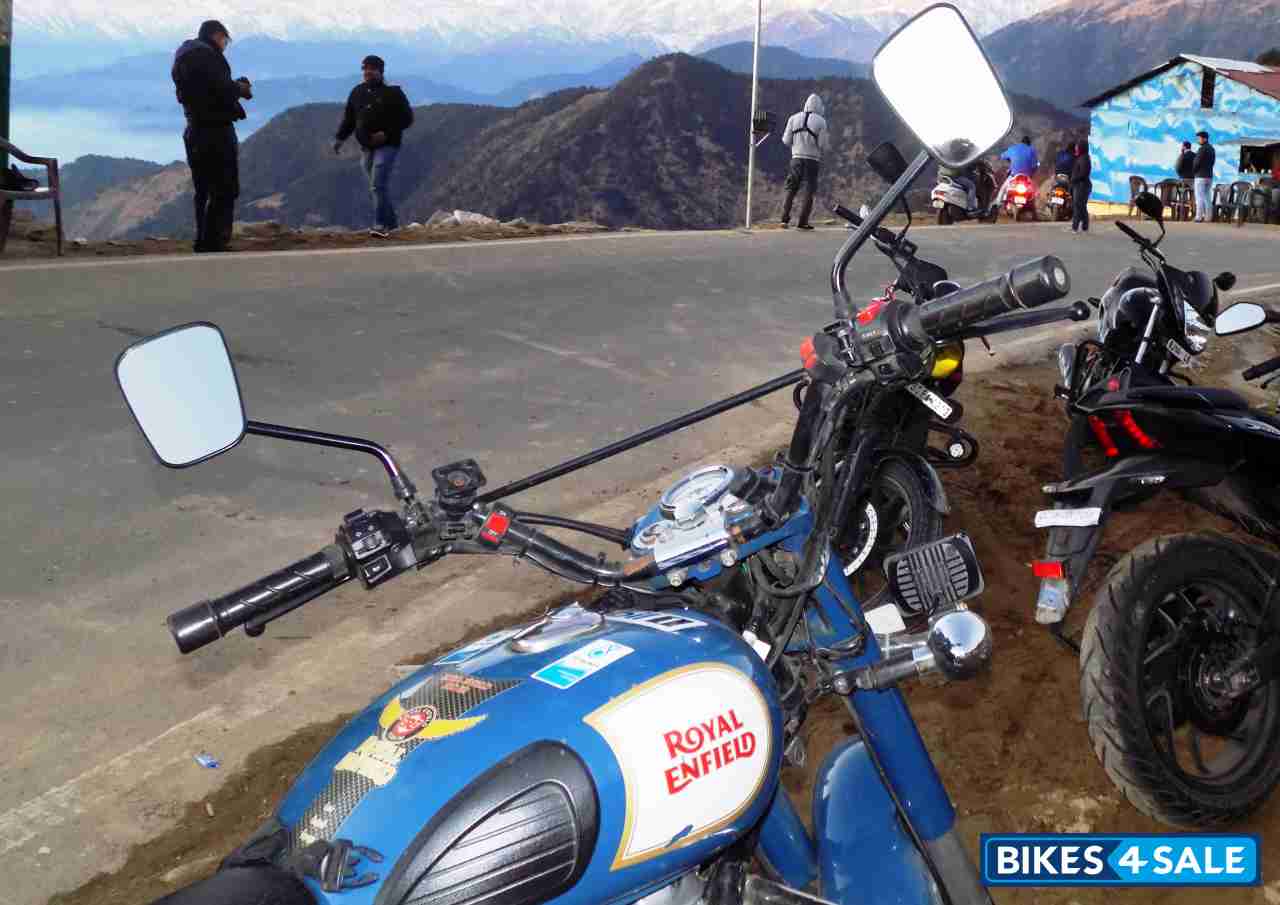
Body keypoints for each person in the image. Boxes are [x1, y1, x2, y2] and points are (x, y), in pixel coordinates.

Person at [172, 20, 253, 253]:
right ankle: (216, 241)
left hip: (193, 129)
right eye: (225, 40)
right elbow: (221, 89)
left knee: (203, 189)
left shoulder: (183, 57)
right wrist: (240, 89)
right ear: (217, 35)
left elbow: (204, 90)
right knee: (225, 187)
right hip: (217, 131)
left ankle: (202, 240)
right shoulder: (210, 56)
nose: (225, 45)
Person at [333, 56, 414, 238]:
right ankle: (393, 226)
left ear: (380, 71)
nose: (367, 72)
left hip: (388, 145)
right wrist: (340, 139)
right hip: (366, 147)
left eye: (372, 68)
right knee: (377, 188)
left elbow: (407, 119)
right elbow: (350, 119)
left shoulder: (393, 93)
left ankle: (380, 225)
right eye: (365, 69)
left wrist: (386, 133)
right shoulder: (357, 92)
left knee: (377, 186)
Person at [779, 94, 829, 230]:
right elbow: (822, 144)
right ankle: (802, 222)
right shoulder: (821, 121)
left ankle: (784, 219)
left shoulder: (793, 118)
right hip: (812, 161)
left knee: (791, 188)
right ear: (819, 107)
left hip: (796, 159)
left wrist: (798, 143)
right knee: (809, 190)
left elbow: (786, 140)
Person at [996, 134, 1039, 204]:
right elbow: (1035, 165)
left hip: (1014, 175)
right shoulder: (1032, 150)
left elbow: (1002, 156)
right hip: (1026, 177)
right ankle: (1033, 207)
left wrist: (1008, 158)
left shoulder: (1012, 148)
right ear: (1029, 144)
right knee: (1034, 192)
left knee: (1003, 189)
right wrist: (1032, 173)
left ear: (1021, 142)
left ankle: (997, 204)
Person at [1193, 130, 1216, 222]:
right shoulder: (1212, 149)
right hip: (1209, 176)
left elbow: (1196, 162)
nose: (1198, 140)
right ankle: (1208, 217)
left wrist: (1194, 171)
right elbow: (1213, 163)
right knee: (1207, 197)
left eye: (1199, 138)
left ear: (1205, 139)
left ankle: (1198, 217)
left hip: (1200, 176)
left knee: (1199, 197)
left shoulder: (1202, 149)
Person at [1070, 140, 1092, 234]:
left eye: (1077, 146)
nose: (1076, 148)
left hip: (1081, 186)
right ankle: (1084, 227)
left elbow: (1083, 173)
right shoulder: (1081, 157)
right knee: (1081, 206)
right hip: (1079, 185)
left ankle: (1075, 227)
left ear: (1081, 147)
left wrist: (1074, 179)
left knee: (1078, 206)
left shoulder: (1084, 159)